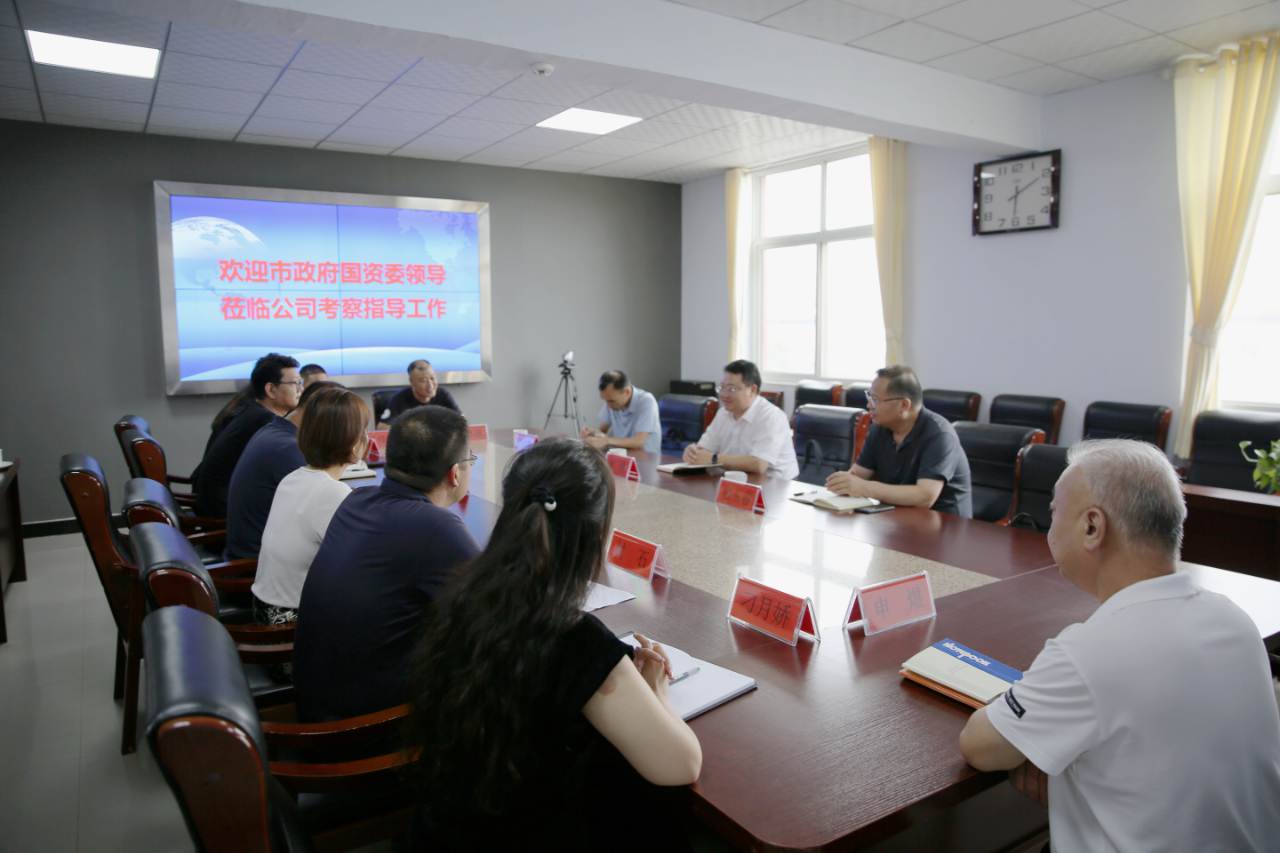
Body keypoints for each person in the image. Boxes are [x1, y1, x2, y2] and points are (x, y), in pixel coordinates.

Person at [958, 440, 1280, 851]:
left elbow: (979, 746)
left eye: (1054, 513)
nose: (1048, 527)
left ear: (1092, 527)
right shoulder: (1235, 621)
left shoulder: (1089, 652)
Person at [406, 438, 702, 849]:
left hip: (445, 827)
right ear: (597, 533)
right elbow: (681, 765)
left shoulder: (460, 596)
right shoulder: (576, 640)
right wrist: (658, 692)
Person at [293, 405, 479, 721]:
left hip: (316, 702)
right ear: (455, 473)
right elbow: (493, 614)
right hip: (365, 727)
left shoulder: (357, 500)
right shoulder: (435, 527)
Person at [250, 386, 369, 625]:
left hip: (264, 609)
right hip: (289, 622)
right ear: (355, 443)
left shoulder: (294, 477)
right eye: (363, 430)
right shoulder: (333, 493)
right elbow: (363, 563)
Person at [825, 365, 972, 517]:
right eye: (869, 397)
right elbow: (858, 475)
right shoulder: (880, 428)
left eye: (875, 400)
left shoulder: (939, 434)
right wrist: (844, 483)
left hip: (946, 523)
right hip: (898, 517)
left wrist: (864, 488)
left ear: (904, 405)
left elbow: (925, 497)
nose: (869, 405)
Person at [223, 380, 341, 559]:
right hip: (257, 560)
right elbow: (326, 517)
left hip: (253, 548)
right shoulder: (289, 448)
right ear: (321, 412)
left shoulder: (274, 430)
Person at [193, 353, 301, 518]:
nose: (301, 389)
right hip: (225, 508)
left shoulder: (251, 410)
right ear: (271, 390)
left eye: (301, 383)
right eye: (295, 383)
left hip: (215, 499)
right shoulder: (264, 421)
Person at [682, 359, 798, 480]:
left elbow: (759, 464)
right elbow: (704, 450)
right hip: (735, 480)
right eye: (722, 387)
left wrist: (714, 458)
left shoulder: (771, 416)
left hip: (775, 484)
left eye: (731, 389)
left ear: (752, 390)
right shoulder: (723, 413)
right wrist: (693, 454)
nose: (724, 394)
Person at [580, 369, 662, 454]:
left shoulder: (647, 401)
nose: (608, 406)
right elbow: (602, 430)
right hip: (622, 455)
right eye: (606, 400)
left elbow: (639, 442)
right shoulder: (611, 400)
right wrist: (592, 433)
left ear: (627, 392)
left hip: (647, 457)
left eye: (611, 401)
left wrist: (606, 440)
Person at [376, 359, 460, 426]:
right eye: (423, 381)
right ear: (412, 382)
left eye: (432, 378)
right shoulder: (399, 399)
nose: (430, 385)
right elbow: (382, 427)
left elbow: (461, 420)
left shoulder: (443, 394)